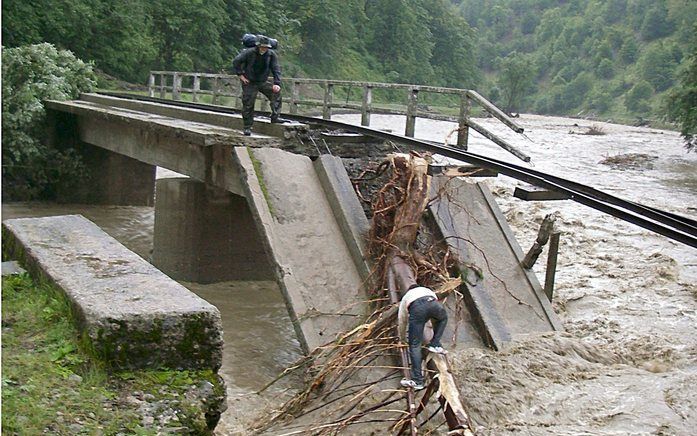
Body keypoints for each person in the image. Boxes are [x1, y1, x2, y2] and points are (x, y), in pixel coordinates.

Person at [398, 284, 448, 390]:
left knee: (415, 345)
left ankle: (417, 381)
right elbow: (433, 312)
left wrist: (402, 339)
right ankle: (434, 344)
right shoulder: (427, 289)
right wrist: (436, 337)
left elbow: (402, 320)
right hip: (433, 303)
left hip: (417, 309)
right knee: (443, 318)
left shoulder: (406, 297)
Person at [232, 35, 283, 136]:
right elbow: (236, 61)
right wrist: (241, 75)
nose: (264, 49)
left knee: (276, 93)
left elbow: (276, 69)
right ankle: (247, 127)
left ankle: (275, 117)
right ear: (258, 46)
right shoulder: (249, 52)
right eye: (262, 47)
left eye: (266, 47)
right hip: (249, 81)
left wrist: (277, 83)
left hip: (262, 81)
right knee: (248, 103)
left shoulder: (271, 55)